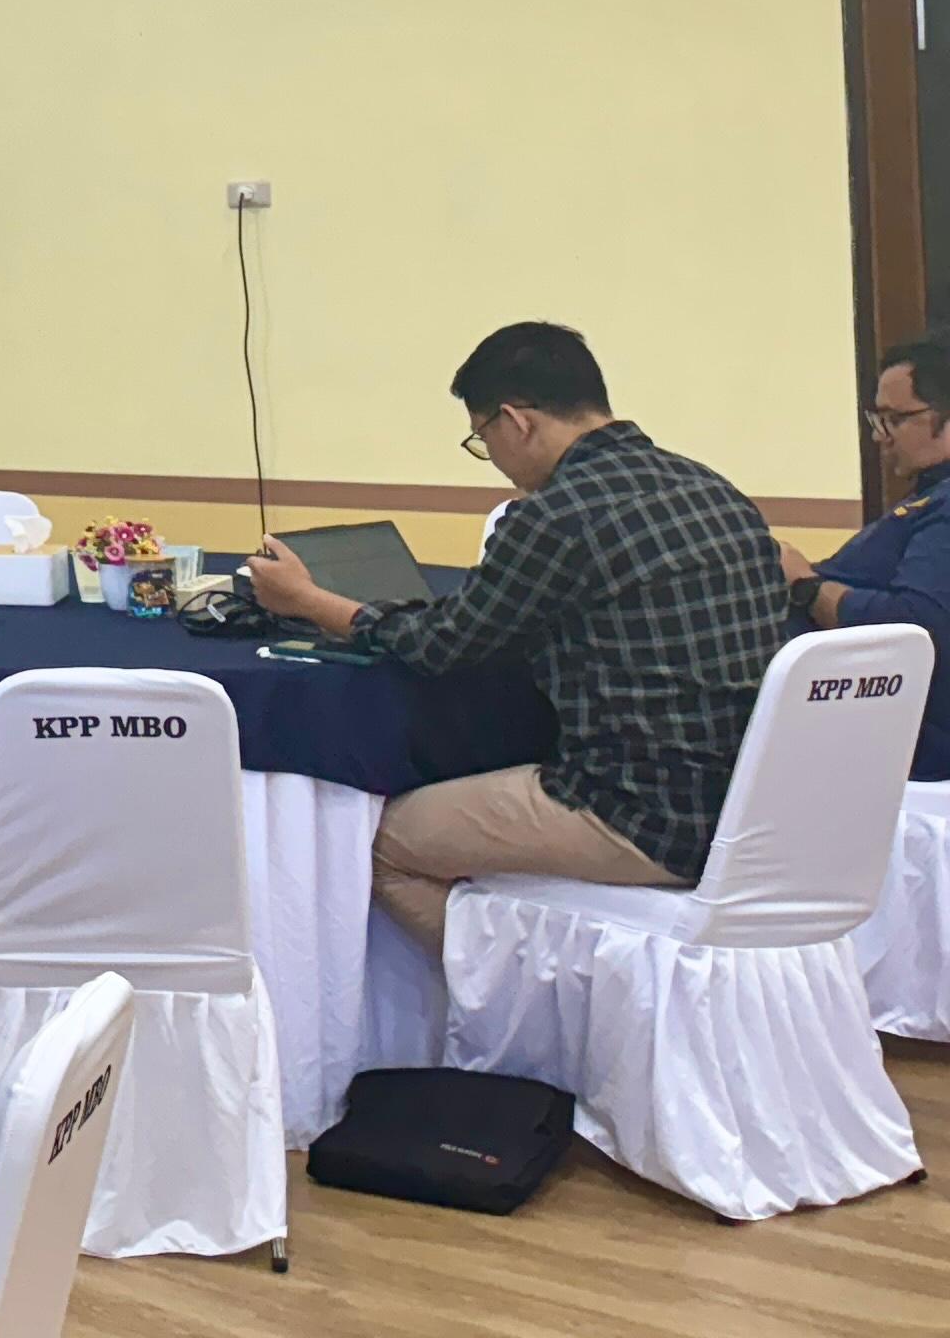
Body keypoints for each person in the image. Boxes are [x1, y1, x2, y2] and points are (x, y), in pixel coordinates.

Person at [247, 321, 792, 947]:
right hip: (749, 811)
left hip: (638, 815)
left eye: (483, 439)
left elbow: (443, 646)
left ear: (515, 421)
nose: (495, 460)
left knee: (380, 844)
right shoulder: (714, 490)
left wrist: (309, 602)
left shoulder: (557, 514)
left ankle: (517, 996)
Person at [775, 331, 950, 649]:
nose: (880, 436)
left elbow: (916, 628)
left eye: (895, 419)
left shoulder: (944, 505)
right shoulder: (926, 496)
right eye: (878, 421)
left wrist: (805, 585)